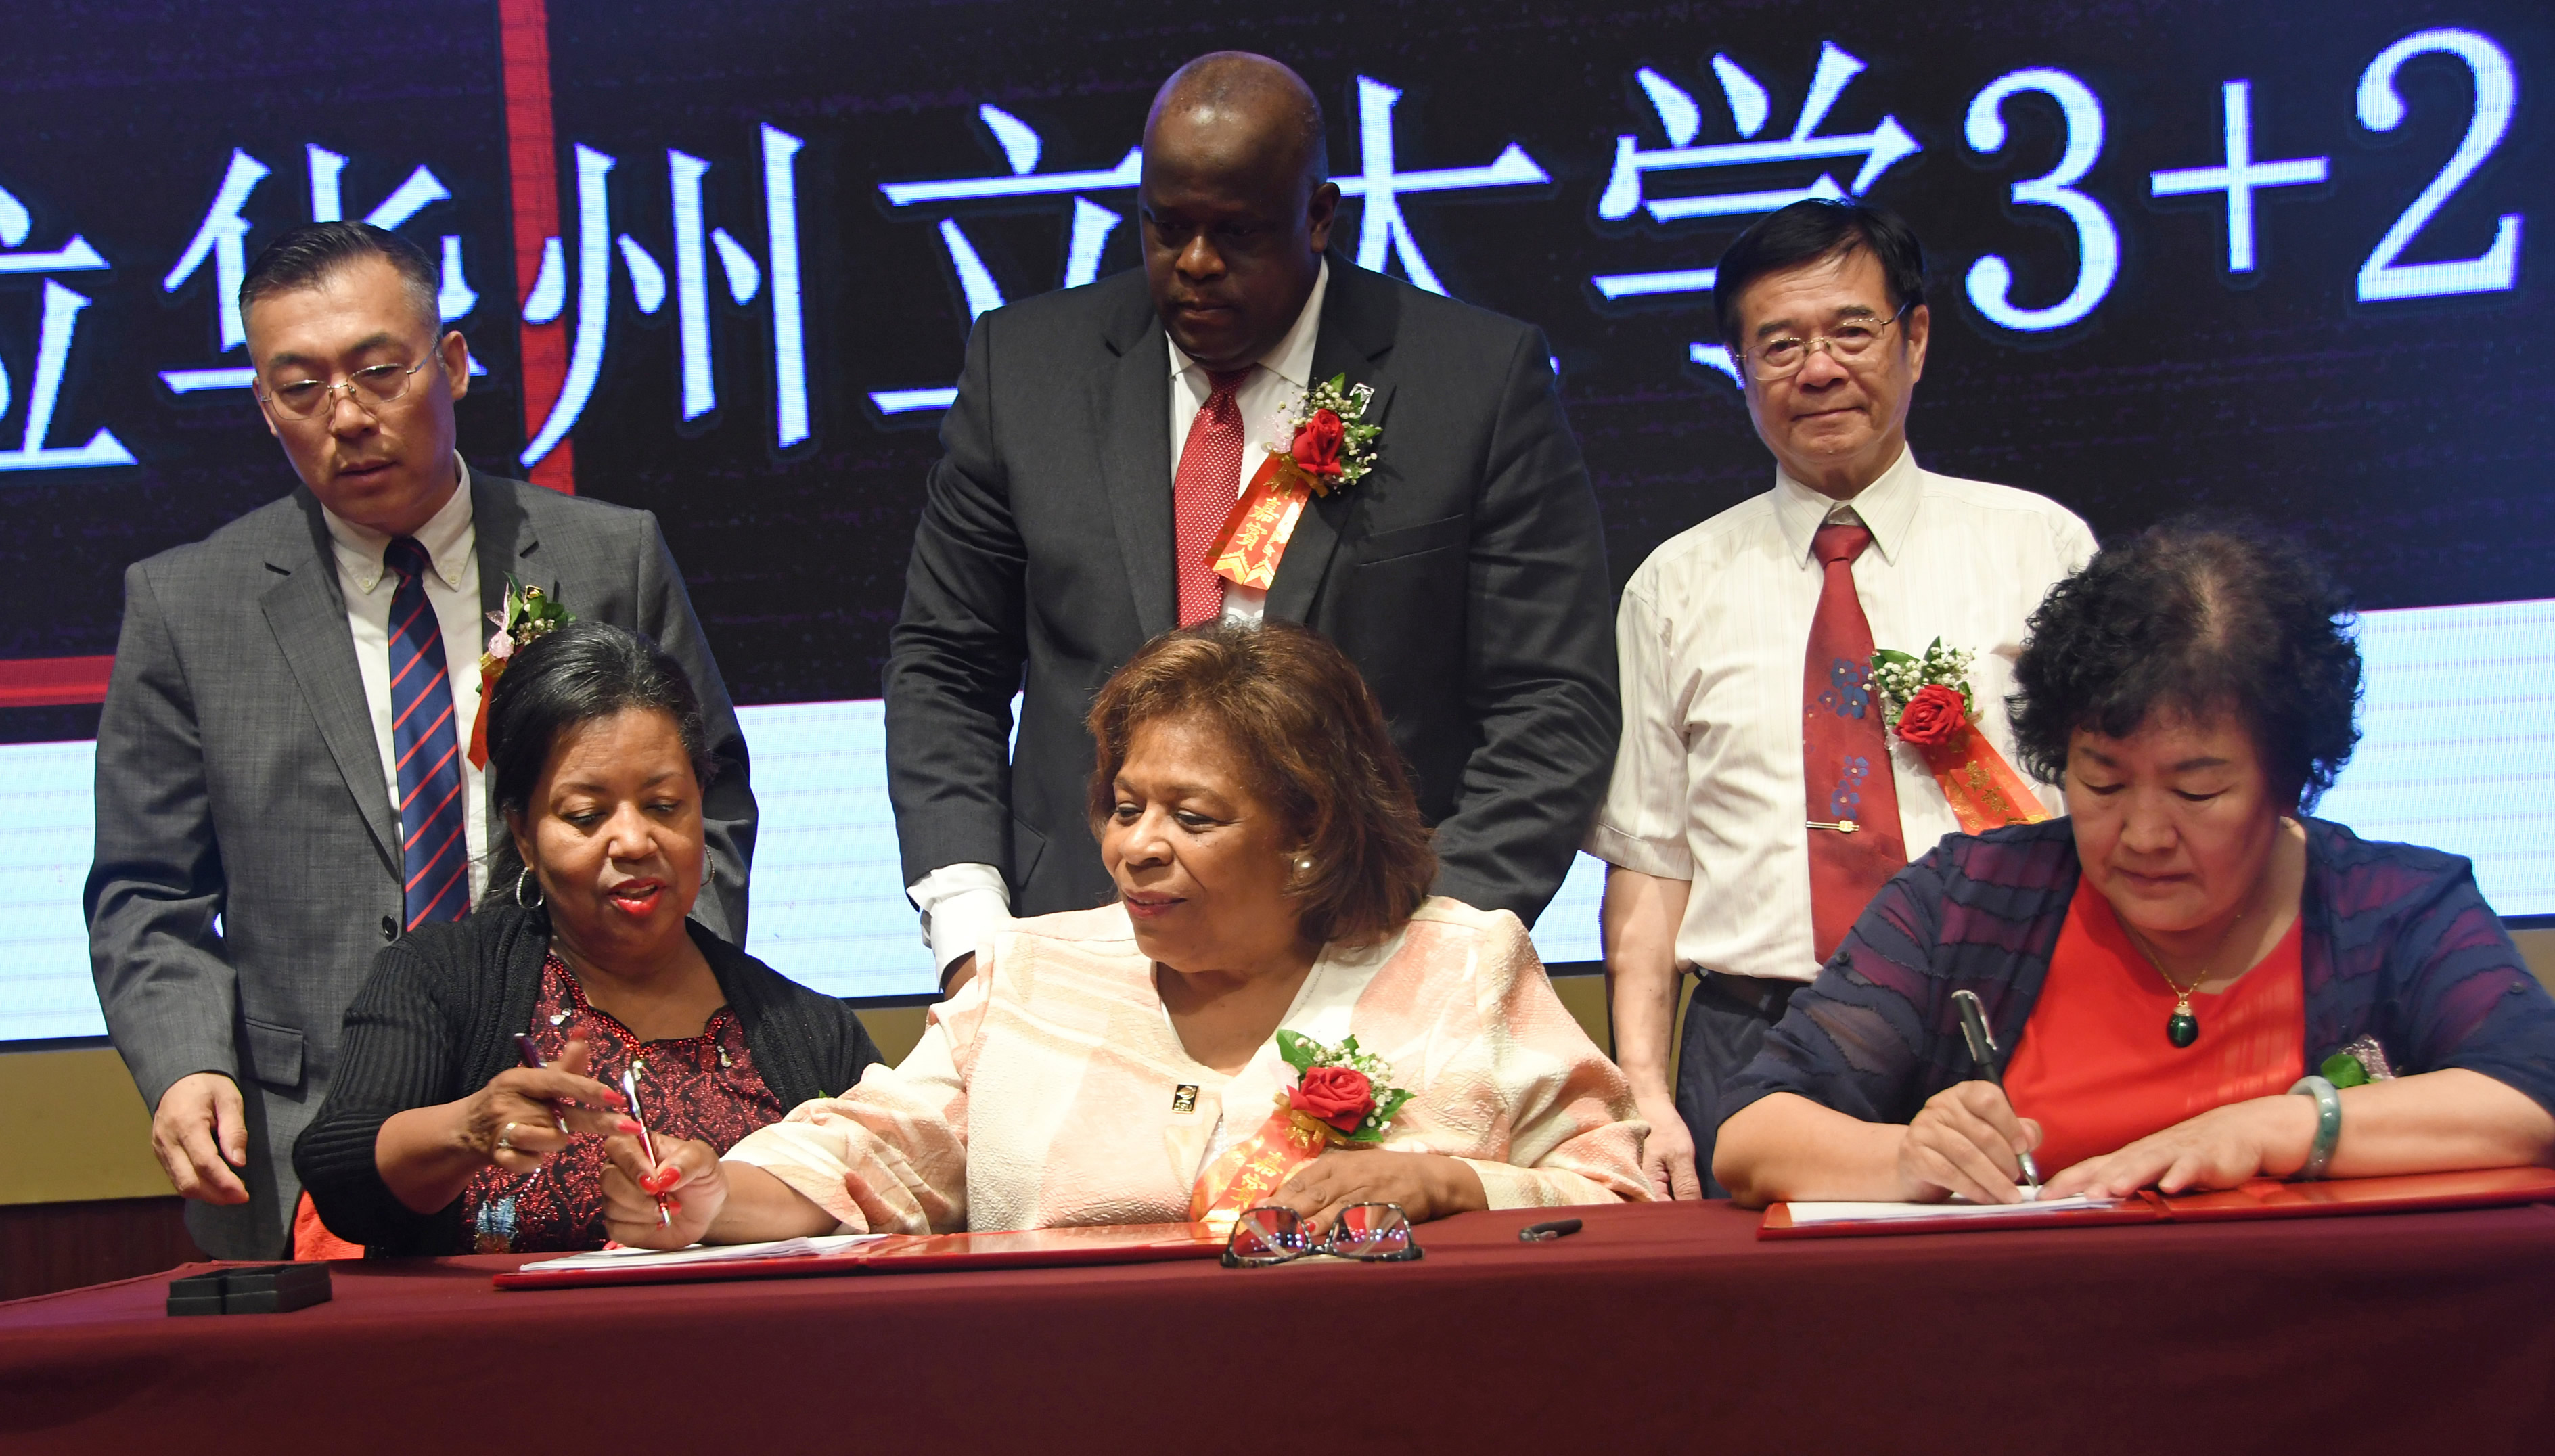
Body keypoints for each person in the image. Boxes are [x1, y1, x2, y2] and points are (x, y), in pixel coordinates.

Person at [85, 222, 756, 1259]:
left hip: (580, 1112)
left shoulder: (603, 556)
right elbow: (146, 893)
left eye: (377, 370)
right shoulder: (187, 605)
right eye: (298, 387)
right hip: (308, 1133)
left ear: (449, 362)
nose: (346, 415)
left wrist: (654, 1033)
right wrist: (185, 1065)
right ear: (264, 406)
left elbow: (705, 809)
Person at [888, 52, 1616, 993]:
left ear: (1320, 214)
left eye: (1236, 232)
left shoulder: (1473, 382)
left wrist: (1436, 939)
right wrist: (970, 924)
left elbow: (1553, 700)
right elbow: (944, 663)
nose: (1195, 264)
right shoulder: (1023, 369)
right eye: (1166, 226)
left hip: (1373, 944)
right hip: (1074, 935)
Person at [603, 622, 1647, 1246]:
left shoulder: (1462, 964)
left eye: (1192, 819)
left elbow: (1622, 1198)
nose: (1136, 848)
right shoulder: (1033, 974)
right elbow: (872, 1152)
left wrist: (1450, 1185)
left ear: (1309, 830)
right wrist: (711, 1195)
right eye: (1125, 804)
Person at [1713, 524, 2555, 1206]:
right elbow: (1753, 1133)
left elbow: (2529, 1096)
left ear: (2287, 779)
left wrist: (2271, 1130)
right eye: (2102, 781)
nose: (2143, 834)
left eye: (2197, 791)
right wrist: (1906, 1156)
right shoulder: (1966, 899)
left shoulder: (2393, 906)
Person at [1586, 200, 2098, 1199]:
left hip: (2005, 1013)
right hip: (1757, 1042)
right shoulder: (1674, 583)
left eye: (1850, 332)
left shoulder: (2038, 548)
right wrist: (1642, 1087)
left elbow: (2107, 808)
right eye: (1778, 344)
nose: (1817, 369)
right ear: (1739, 367)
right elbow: (1651, 866)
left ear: (1915, 338)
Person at [292, 623, 878, 1254]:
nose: (633, 842)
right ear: (523, 834)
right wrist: (470, 1129)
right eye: (586, 816)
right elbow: (340, 1177)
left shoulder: (808, 1030)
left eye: (663, 806)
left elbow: (895, 1197)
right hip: (499, 1351)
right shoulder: (442, 979)